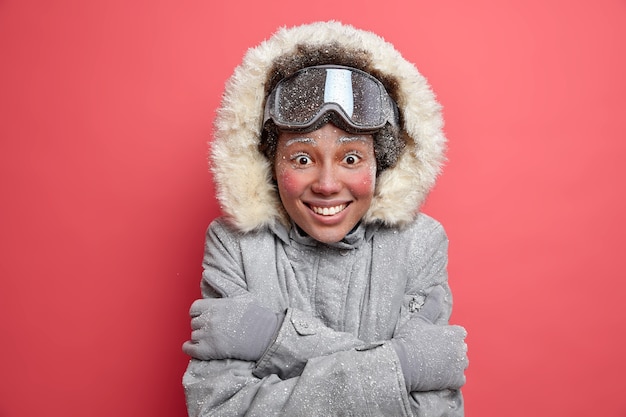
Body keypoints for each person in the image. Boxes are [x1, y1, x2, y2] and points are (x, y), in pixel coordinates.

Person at [182, 21, 468, 416]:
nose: (328, 184)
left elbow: (431, 412)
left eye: (351, 159)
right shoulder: (235, 244)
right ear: (268, 165)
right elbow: (219, 409)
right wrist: (404, 365)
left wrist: (268, 336)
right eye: (302, 159)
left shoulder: (420, 243)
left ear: (380, 165)